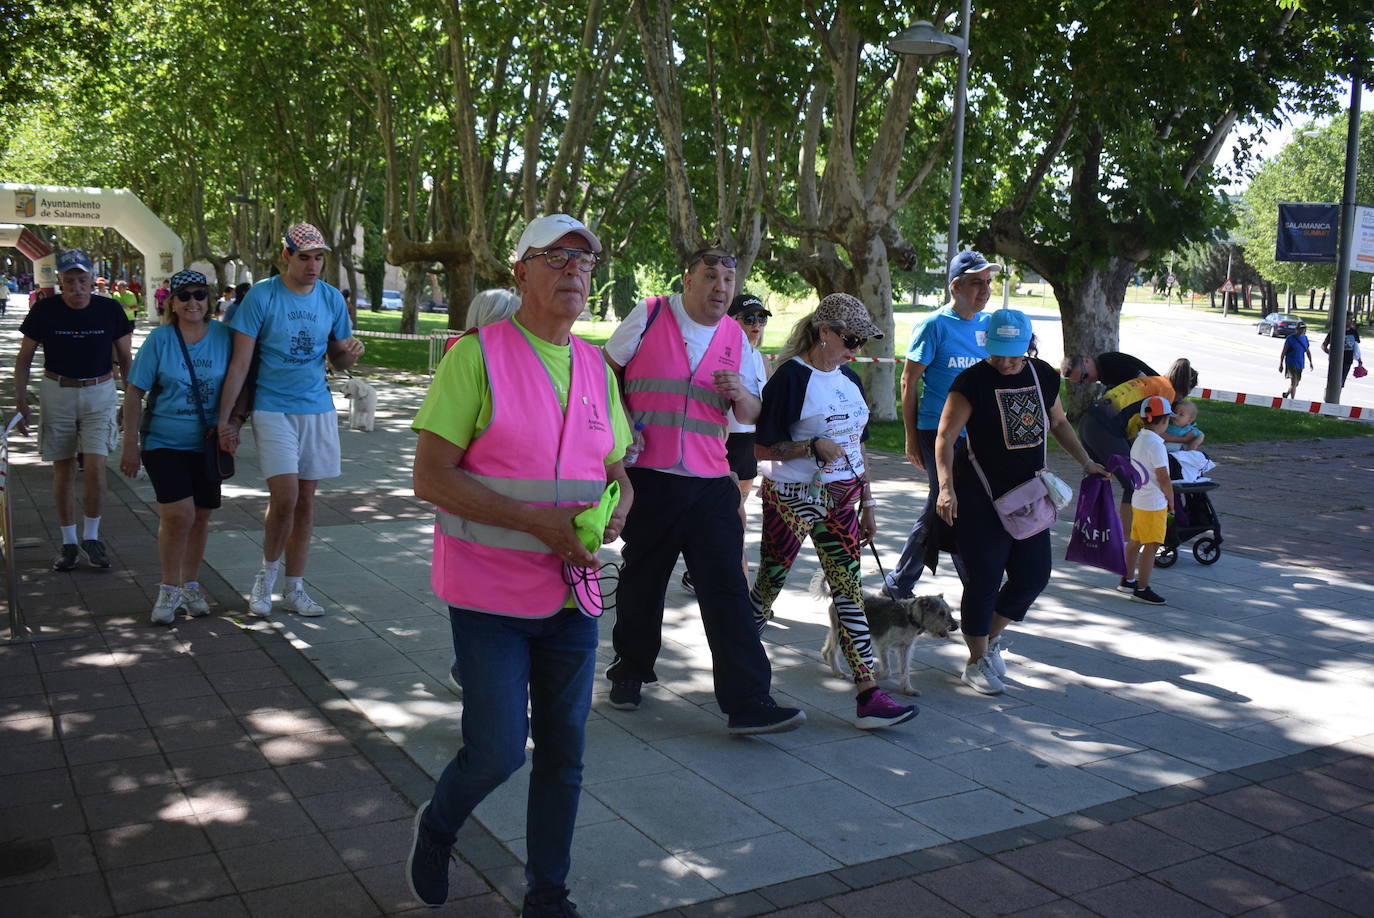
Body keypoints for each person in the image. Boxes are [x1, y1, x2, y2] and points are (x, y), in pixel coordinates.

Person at [406, 214, 632, 916]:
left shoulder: (596, 365)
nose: (575, 270)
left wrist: (622, 502)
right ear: (521, 272)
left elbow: (618, 468)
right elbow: (430, 477)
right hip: (489, 594)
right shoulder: (474, 357)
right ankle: (438, 825)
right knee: (500, 750)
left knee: (565, 754)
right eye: (557, 257)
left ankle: (548, 894)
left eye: (587, 260)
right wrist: (540, 523)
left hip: (573, 595)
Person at [603, 241, 805, 735]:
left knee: (727, 590)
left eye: (728, 280)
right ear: (688, 281)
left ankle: (748, 700)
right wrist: (622, 423)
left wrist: (742, 395)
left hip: (711, 481)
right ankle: (630, 669)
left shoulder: (738, 337)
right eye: (711, 278)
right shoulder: (649, 315)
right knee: (642, 582)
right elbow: (603, 373)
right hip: (649, 478)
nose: (721, 288)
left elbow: (750, 418)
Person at [750, 294, 918, 729]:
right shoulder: (791, 378)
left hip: (843, 501)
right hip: (791, 498)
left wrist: (869, 501)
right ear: (824, 332)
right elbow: (760, 447)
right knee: (769, 586)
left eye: (862, 341)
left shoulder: (851, 379)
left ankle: (869, 696)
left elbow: (857, 445)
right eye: (850, 338)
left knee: (850, 596)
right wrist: (809, 447)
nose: (856, 348)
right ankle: (740, 672)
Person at [937, 310, 1107, 695]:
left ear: (1028, 345)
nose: (1006, 361)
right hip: (981, 496)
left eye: (1014, 353)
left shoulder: (1042, 374)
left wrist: (1086, 462)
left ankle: (990, 639)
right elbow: (945, 438)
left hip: (1029, 495)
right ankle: (976, 661)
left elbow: (1060, 424)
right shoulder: (972, 382)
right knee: (983, 580)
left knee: (1033, 576)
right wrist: (946, 488)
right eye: (999, 353)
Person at [215, 223, 365, 617]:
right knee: (285, 498)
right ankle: (265, 578)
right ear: (286, 256)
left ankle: (295, 588)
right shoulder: (262, 297)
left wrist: (352, 352)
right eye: (304, 257)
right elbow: (240, 363)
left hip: (316, 407)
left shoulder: (331, 298)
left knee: (306, 503)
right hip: (272, 406)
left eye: (319, 257)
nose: (313, 265)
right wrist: (225, 419)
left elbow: (339, 360)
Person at [118, 271, 233, 623]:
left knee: (200, 516)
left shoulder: (225, 337)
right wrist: (130, 447)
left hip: (208, 445)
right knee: (177, 514)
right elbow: (135, 393)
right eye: (184, 296)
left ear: (209, 299)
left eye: (199, 295)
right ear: (172, 302)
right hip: (163, 441)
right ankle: (168, 590)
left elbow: (242, 380)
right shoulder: (160, 339)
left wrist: (235, 423)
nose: (193, 303)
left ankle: (191, 585)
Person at [886, 250, 998, 597]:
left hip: (977, 434)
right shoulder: (934, 326)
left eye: (988, 283)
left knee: (945, 504)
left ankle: (900, 584)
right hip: (936, 431)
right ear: (955, 286)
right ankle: (977, 587)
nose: (985, 290)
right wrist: (909, 437)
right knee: (949, 501)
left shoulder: (988, 325)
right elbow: (908, 381)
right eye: (977, 283)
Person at [13, 249, 134, 570]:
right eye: (70, 282)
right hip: (57, 392)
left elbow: (126, 360)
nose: (77, 288)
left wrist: (129, 402)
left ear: (92, 279)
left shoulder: (110, 310)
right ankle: (68, 542)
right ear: (60, 282)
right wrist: (22, 400)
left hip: (100, 392)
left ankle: (92, 536)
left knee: (95, 467)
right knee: (63, 470)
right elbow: (24, 358)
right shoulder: (44, 310)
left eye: (82, 280)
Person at [683, 291, 770, 590]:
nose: (756, 324)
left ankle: (698, 569)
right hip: (721, 443)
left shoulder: (760, 359)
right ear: (731, 321)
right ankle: (740, 589)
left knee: (727, 516)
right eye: (748, 319)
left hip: (749, 448)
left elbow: (766, 408)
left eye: (761, 319)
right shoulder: (719, 351)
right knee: (735, 522)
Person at [1062, 350, 1176, 536]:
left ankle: (1101, 535)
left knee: (1111, 478)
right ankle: (1123, 539)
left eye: (1084, 376)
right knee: (1128, 482)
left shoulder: (1109, 362)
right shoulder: (1105, 374)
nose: (1086, 381)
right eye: (1081, 381)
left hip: (1098, 423)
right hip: (1103, 425)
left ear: (1087, 360)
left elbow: (1144, 383)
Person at [1120, 396, 1175, 605]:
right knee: (1151, 546)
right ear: (1163, 420)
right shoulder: (1156, 445)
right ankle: (1142, 589)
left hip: (1140, 499)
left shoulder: (1139, 440)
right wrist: (1172, 501)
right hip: (1154, 503)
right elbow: (1164, 478)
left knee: (1135, 541)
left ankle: (1127, 580)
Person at [1322, 314, 1363, 388]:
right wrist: (1331, 354)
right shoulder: (1335, 331)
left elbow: (1356, 348)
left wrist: (1359, 360)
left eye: (1351, 319)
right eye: (1348, 319)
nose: (1350, 321)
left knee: (1341, 383)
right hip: (1335, 362)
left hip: (1347, 361)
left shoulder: (1354, 332)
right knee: (1332, 382)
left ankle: (1337, 398)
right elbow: (1324, 346)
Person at [1280, 323, 1313, 399]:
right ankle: (1292, 400)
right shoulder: (1290, 338)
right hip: (1291, 363)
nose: (1303, 330)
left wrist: (1311, 362)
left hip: (1300, 363)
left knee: (1296, 383)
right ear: (1297, 329)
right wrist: (1281, 364)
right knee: (1294, 382)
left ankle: (1286, 394)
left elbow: (1308, 351)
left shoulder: (1305, 338)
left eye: (1304, 328)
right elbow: (1284, 352)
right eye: (1301, 328)